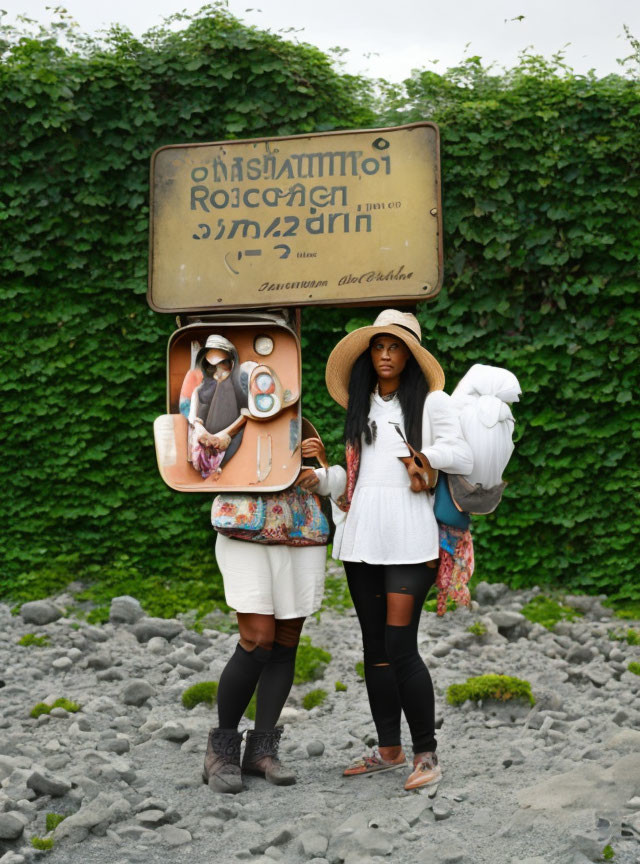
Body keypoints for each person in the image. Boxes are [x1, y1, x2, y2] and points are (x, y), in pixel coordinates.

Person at [305, 309, 473, 791]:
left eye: (395, 347)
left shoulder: (432, 402)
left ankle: (426, 754)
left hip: (410, 536)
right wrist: (320, 480)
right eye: (378, 346)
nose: (385, 354)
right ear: (368, 355)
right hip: (362, 539)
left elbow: (460, 453)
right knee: (374, 649)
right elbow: (355, 476)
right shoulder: (361, 405)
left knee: (401, 646)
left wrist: (424, 457)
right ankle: (388, 750)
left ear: (410, 356)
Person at [202, 423, 329, 795]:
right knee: (258, 639)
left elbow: (324, 479)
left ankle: (261, 750)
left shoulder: (298, 420)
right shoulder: (225, 411)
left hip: (300, 528)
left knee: (287, 640)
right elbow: (201, 464)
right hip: (246, 525)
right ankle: (221, 750)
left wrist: (317, 459)